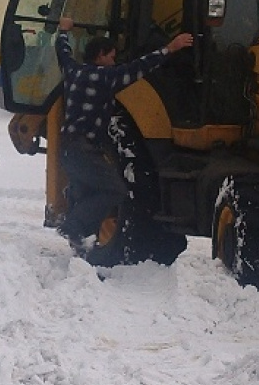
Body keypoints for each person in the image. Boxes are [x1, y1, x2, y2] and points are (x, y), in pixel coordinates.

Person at [54, 17, 193, 252]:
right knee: (114, 190)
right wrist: (170, 48)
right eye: (111, 56)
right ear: (100, 56)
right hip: (84, 149)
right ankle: (73, 226)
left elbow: (63, 51)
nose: (114, 61)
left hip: (68, 148)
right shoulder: (104, 77)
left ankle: (83, 244)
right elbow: (138, 68)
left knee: (87, 193)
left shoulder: (73, 71)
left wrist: (63, 31)